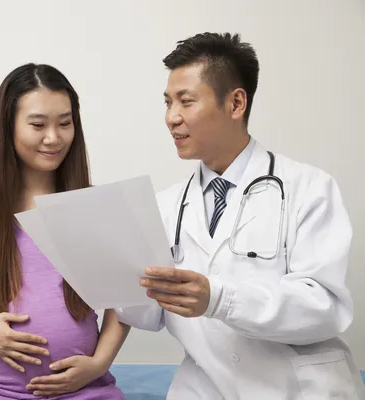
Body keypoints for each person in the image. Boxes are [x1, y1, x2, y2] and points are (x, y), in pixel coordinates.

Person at [115, 32, 365, 399]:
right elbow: (149, 316)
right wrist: (109, 272)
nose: (171, 117)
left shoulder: (308, 188)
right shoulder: (164, 207)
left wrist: (220, 299)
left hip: (299, 390)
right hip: (204, 388)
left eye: (186, 101)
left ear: (235, 103)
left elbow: (325, 309)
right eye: (167, 102)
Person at [0, 63, 129, 399]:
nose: (53, 138)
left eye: (65, 123)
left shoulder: (95, 205)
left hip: (86, 390)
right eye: (38, 125)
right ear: (9, 127)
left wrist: (99, 364)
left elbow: (124, 301)